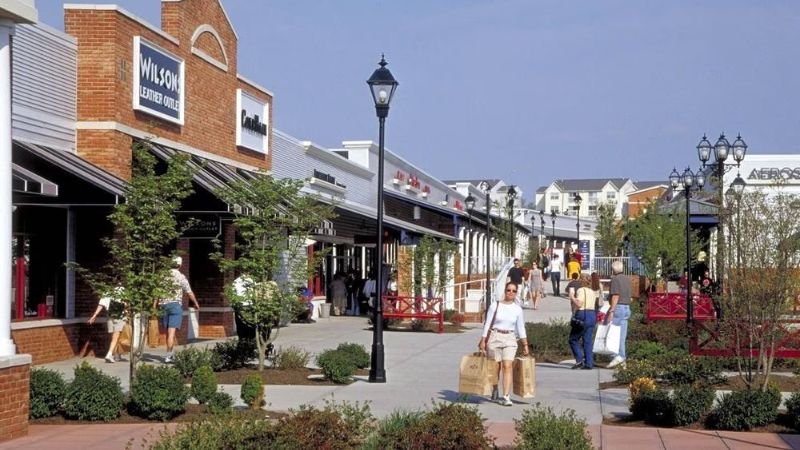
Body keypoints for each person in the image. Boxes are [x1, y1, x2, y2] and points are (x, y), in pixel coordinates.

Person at [478, 282, 529, 407]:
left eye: (513, 291)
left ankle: (506, 395)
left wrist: (525, 344)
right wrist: (483, 340)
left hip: (510, 338)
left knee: (507, 365)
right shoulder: (495, 305)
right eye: (508, 290)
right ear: (505, 291)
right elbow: (487, 323)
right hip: (495, 337)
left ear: (516, 293)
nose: (510, 293)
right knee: (495, 367)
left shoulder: (517, 309)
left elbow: (521, 327)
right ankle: (495, 389)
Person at [156, 256, 200, 363]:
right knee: (171, 332)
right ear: (180, 265)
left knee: (167, 332)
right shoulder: (181, 277)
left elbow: (156, 293)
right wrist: (196, 303)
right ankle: (169, 356)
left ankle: (170, 354)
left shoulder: (162, 276)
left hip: (163, 305)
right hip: (175, 305)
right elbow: (189, 292)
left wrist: (154, 306)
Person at [88, 287, 126, 363]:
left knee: (113, 337)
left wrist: (94, 316)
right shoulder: (122, 290)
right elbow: (126, 304)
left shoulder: (107, 291)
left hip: (110, 316)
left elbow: (101, 305)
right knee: (116, 337)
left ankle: (115, 354)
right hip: (119, 316)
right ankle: (109, 354)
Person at [606, 260, 632, 368]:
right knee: (622, 335)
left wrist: (612, 310)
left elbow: (615, 295)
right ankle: (622, 358)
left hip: (618, 307)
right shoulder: (627, 279)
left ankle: (618, 356)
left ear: (613, 269)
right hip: (627, 307)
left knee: (614, 334)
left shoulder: (615, 279)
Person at [569, 277, 598, 370]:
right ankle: (589, 363)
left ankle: (579, 360)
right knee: (588, 340)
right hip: (592, 314)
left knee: (573, 339)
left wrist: (572, 297)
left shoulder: (581, 290)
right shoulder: (592, 291)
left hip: (582, 314)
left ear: (581, 281)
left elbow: (579, 304)